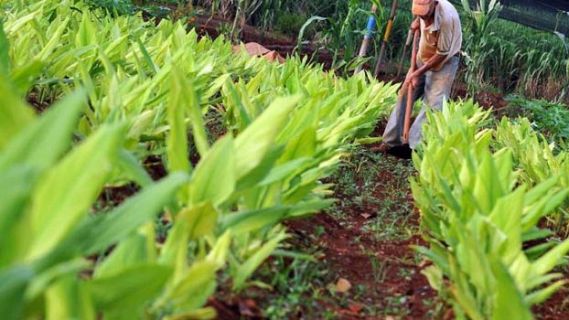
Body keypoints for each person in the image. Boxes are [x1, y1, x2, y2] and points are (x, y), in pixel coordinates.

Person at [378, 0, 462, 152]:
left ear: (434, 5)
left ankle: (412, 148)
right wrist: (417, 20)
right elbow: (421, 16)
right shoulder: (423, 12)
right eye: (419, 14)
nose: (423, 18)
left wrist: (417, 73)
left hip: (445, 61)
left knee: (433, 104)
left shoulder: (447, 19)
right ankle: (390, 142)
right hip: (423, 54)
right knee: (404, 94)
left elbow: (441, 55)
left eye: (425, 15)